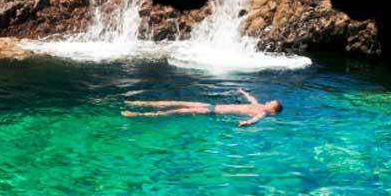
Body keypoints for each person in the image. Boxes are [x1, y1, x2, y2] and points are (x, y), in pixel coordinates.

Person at [121, 89, 283, 127]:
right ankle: (137, 104)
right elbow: (251, 98)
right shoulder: (259, 105)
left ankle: (135, 114)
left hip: (212, 111)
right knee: (176, 102)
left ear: (273, 110)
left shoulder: (262, 112)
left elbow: (255, 120)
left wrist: (246, 124)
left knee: (178, 110)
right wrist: (243, 92)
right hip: (213, 106)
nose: (268, 101)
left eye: (271, 102)